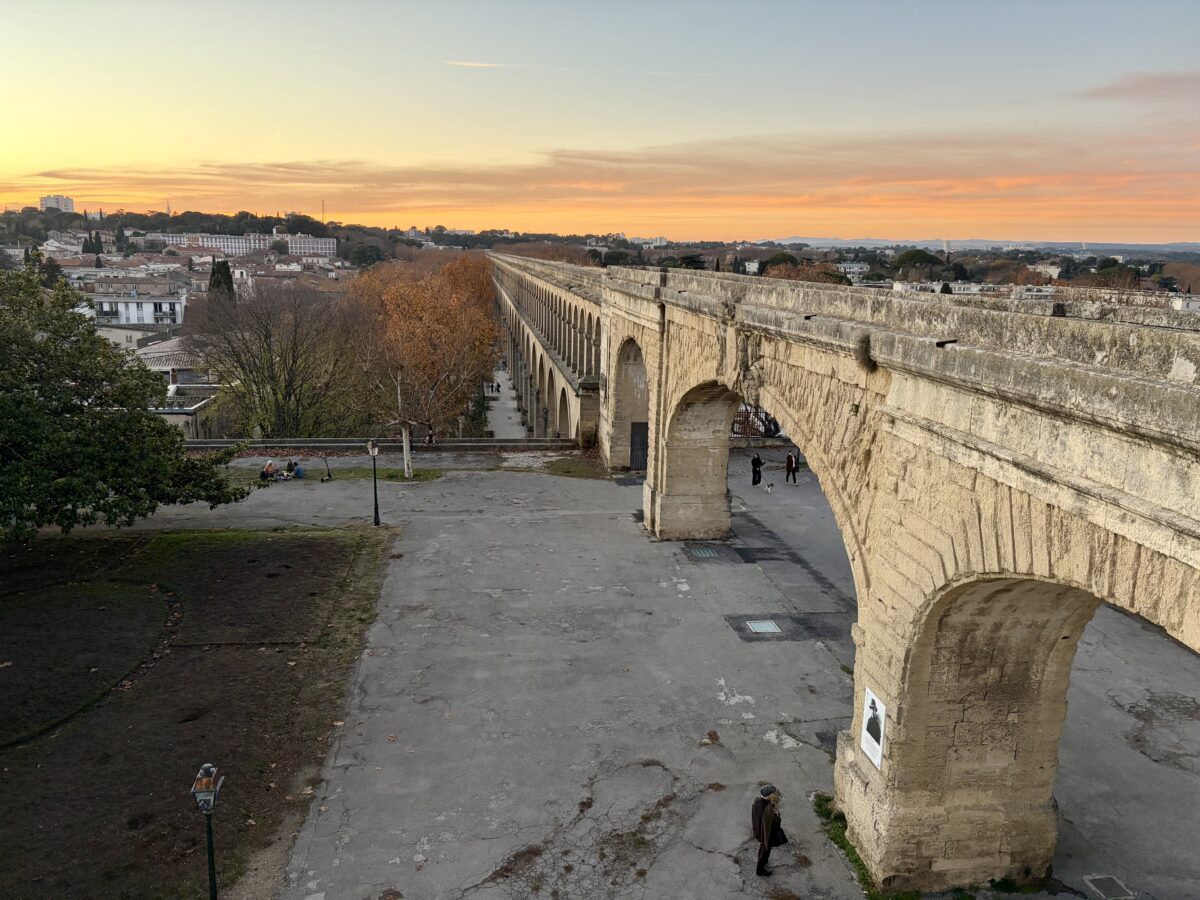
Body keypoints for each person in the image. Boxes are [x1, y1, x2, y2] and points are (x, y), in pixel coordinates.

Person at [752, 784, 788, 876]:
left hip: (759, 830)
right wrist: (777, 816)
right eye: (773, 794)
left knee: (764, 849)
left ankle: (764, 861)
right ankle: (759, 870)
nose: (774, 795)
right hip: (766, 834)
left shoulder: (757, 801)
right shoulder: (767, 809)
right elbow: (773, 824)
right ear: (769, 796)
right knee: (764, 850)